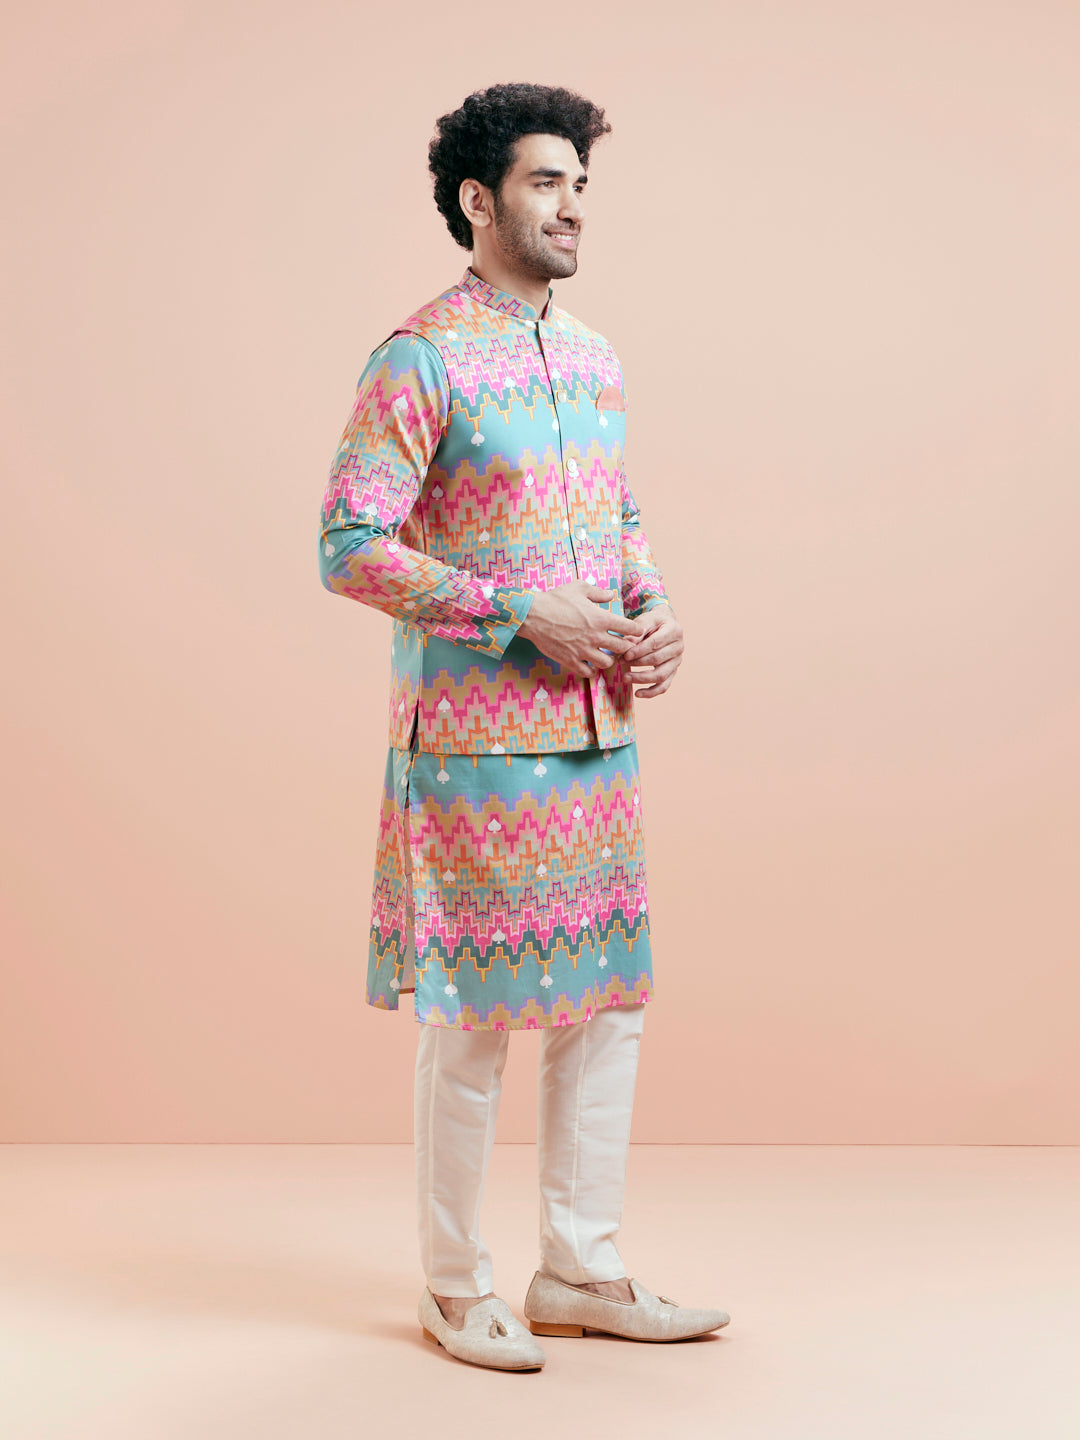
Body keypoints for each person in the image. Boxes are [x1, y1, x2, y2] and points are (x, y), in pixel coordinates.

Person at [318, 82, 729, 1372]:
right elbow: (349, 543)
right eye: (547, 183)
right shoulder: (421, 357)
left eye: (581, 185)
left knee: (606, 1008)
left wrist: (653, 608)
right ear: (478, 200)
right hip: (475, 749)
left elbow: (614, 516)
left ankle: (580, 1269)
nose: (573, 207)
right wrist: (514, 611)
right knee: (475, 1020)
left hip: (598, 735)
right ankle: (456, 1286)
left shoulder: (594, 357)